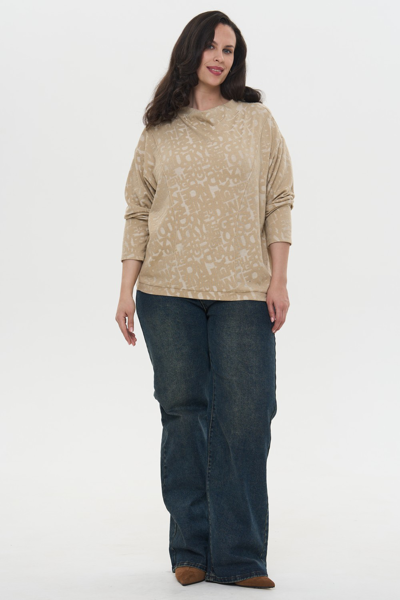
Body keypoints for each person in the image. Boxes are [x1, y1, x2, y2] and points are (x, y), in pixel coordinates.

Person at [115, 10, 295, 590]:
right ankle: (191, 549)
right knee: (183, 414)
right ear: (190, 50)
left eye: (229, 50)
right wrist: (125, 288)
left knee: (247, 416)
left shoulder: (256, 120)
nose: (220, 58)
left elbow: (279, 199)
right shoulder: (159, 128)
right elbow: (138, 210)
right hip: (166, 293)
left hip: (242, 290)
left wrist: (278, 280)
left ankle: (240, 557)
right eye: (212, 47)